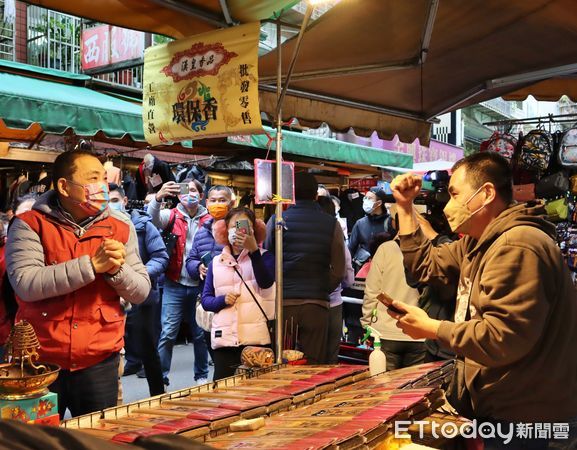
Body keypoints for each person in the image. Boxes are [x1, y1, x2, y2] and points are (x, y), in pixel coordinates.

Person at [389, 152, 577, 448]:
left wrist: (434, 328)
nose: (449, 205)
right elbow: (427, 265)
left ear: (486, 193)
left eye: (455, 193)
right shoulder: (476, 242)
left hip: (525, 416)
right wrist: (404, 206)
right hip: (500, 407)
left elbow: (503, 336)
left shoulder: (517, 245)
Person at [5, 150, 150, 418]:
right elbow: (27, 283)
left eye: (104, 179)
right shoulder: (29, 225)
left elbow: (141, 290)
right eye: (93, 178)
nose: (102, 187)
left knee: (97, 440)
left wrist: (117, 270)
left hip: (99, 360)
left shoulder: (120, 226)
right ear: (64, 186)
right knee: (39, 441)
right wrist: (91, 266)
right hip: (40, 364)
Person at [264, 172, 346, 364]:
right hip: (316, 306)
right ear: (315, 195)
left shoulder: (277, 220)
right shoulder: (332, 224)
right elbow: (339, 269)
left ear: (291, 194)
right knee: (314, 364)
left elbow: (267, 258)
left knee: (283, 362)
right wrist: (322, 288)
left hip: (283, 305)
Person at [148, 179, 210, 386]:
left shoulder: (210, 219)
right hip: (174, 282)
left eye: (194, 190)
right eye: (185, 190)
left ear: (201, 196)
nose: (189, 194)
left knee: (200, 334)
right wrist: (158, 197)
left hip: (200, 285)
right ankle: (161, 378)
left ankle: (201, 376)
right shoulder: (172, 215)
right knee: (167, 333)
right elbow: (151, 220)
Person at [201, 207, 274, 380]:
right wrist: (222, 301)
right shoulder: (215, 263)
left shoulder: (265, 257)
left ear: (253, 230)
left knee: (256, 391)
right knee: (222, 388)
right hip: (224, 339)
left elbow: (266, 282)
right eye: (235, 226)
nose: (240, 230)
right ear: (225, 229)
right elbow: (206, 300)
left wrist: (254, 251)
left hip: (255, 339)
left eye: (245, 226)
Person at [109, 184, 168, 397]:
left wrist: (138, 275)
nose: (110, 204)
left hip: (142, 296)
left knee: (149, 349)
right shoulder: (99, 226)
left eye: (114, 199)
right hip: (111, 299)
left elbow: (161, 257)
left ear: (124, 201)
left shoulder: (143, 225)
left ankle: (158, 394)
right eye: (106, 199)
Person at [360, 233, 425, 371]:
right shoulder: (428, 249)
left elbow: (372, 292)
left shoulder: (386, 249)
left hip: (386, 333)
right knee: (416, 390)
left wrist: (367, 324)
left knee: (384, 388)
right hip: (420, 333)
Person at [186, 186, 235, 361]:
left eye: (222, 200)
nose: (217, 204)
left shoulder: (237, 230)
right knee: (211, 345)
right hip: (208, 299)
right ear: (206, 203)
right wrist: (198, 267)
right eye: (213, 200)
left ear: (232, 203)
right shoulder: (201, 232)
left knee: (229, 352)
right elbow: (190, 261)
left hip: (232, 299)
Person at [317, 196, 354, 364]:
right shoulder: (337, 236)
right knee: (331, 356)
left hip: (307, 303)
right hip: (333, 304)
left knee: (308, 357)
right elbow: (348, 277)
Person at [348, 187, 395, 271]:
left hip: (386, 269)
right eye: (365, 198)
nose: (365, 200)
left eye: (369, 198)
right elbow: (351, 248)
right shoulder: (360, 223)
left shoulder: (391, 222)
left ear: (379, 203)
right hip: (364, 269)